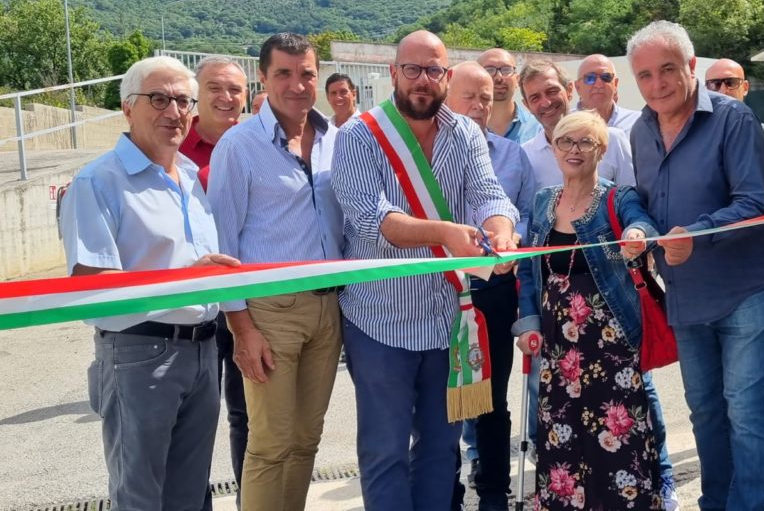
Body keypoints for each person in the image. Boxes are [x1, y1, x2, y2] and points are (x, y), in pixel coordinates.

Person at [332, 30, 519, 511]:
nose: (422, 80)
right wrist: (447, 233)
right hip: (379, 321)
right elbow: (371, 220)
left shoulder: (465, 133)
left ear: (446, 76)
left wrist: (500, 231)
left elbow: (489, 195)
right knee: (385, 451)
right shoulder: (359, 135)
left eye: (433, 70)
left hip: (446, 320)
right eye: (412, 69)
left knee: (441, 449)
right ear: (393, 73)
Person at [60, 55, 240, 510]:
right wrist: (187, 279)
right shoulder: (99, 181)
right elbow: (90, 282)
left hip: (203, 350)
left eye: (183, 101)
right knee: (140, 495)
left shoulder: (190, 179)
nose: (174, 112)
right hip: (140, 353)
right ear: (127, 107)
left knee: (189, 494)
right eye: (158, 99)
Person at [627, 20, 764, 511]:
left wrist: (696, 234)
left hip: (745, 291)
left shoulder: (733, 119)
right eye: (645, 75)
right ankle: (716, 503)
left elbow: (754, 202)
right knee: (706, 414)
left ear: (691, 65)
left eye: (667, 69)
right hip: (686, 295)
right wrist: (640, 231)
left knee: (748, 415)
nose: (657, 84)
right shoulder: (639, 131)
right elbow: (646, 202)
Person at [208, 33, 346, 511]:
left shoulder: (336, 141)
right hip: (269, 312)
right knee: (270, 444)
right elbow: (222, 246)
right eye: (283, 73)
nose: (297, 84)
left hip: (328, 308)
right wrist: (242, 328)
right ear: (262, 78)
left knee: (306, 440)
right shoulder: (239, 146)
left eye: (306, 73)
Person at [513, 110, 665, 511]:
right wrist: (528, 324)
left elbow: (642, 224)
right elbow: (529, 271)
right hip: (558, 349)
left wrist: (636, 235)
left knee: (619, 440)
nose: (574, 149)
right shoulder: (543, 201)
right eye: (566, 141)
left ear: (602, 150)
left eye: (585, 142)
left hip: (611, 347)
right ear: (554, 148)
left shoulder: (618, 198)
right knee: (563, 440)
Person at [446, 61, 537, 511]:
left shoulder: (512, 155)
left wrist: (513, 240)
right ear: (447, 96)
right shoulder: (425, 156)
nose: (480, 106)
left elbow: (528, 214)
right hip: (441, 292)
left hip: (495, 292)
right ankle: (447, 492)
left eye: (485, 98)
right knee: (445, 403)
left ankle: (494, 493)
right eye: (469, 97)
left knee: (491, 401)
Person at [180, 55, 250, 508]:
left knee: (247, 416)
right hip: (193, 310)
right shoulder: (171, 148)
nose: (226, 98)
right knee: (194, 422)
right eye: (215, 89)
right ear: (196, 96)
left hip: (246, 305)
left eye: (235, 90)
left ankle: (251, 499)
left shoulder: (255, 144)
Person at [519, 59, 635, 189]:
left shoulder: (611, 140)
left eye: (551, 92)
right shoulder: (526, 156)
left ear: (569, 90)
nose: (546, 103)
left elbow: (632, 195)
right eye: (535, 98)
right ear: (527, 105)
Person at [477, 47, 542, 143]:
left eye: (506, 70)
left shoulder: (537, 128)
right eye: (489, 70)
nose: (499, 77)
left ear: (517, 80)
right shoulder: (465, 128)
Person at [573, 54, 642, 135]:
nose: (598, 85)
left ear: (615, 84)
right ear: (577, 87)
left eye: (606, 77)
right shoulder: (564, 124)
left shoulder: (637, 122)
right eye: (590, 78)